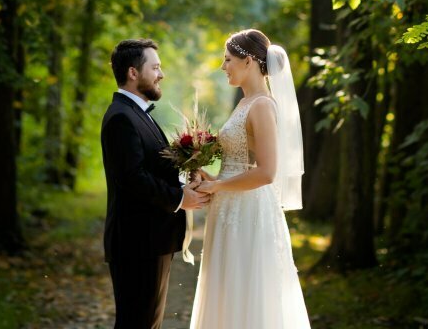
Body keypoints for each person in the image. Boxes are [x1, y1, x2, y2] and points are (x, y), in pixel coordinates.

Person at [189, 29, 311, 328]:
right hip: (228, 206)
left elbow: (267, 172)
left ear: (249, 62)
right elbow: (240, 162)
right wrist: (205, 174)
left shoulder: (262, 106)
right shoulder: (244, 103)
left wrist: (218, 185)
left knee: (247, 287)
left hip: (249, 211)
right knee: (225, 287)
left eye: (228, 59)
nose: (223, 66)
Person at [101, 38, 210, 329]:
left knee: (147, 323)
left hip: (151, 240)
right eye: (156, 67)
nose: (161, 74)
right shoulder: (121, 118)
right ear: (134, 73)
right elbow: (131, 178)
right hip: (136, 242)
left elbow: (151, 167)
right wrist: (179, 199)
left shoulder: (137, 114)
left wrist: (187, 177)